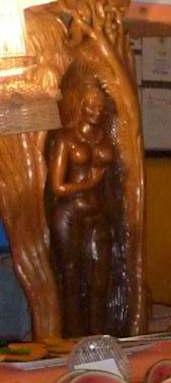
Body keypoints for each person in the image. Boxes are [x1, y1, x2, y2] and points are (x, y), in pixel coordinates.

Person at [47, 80, 115, 335]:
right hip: (69, 214)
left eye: (101, 106)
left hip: (97, 215)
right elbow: (57, 186)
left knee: (99, 281)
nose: (97, 111)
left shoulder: (105, 139)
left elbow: (112, 183)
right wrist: (88, 183)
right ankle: (72, 340)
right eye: (92, 105)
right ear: (82, 106)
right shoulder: (66, 138)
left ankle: (98, 339)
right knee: (71, 278)